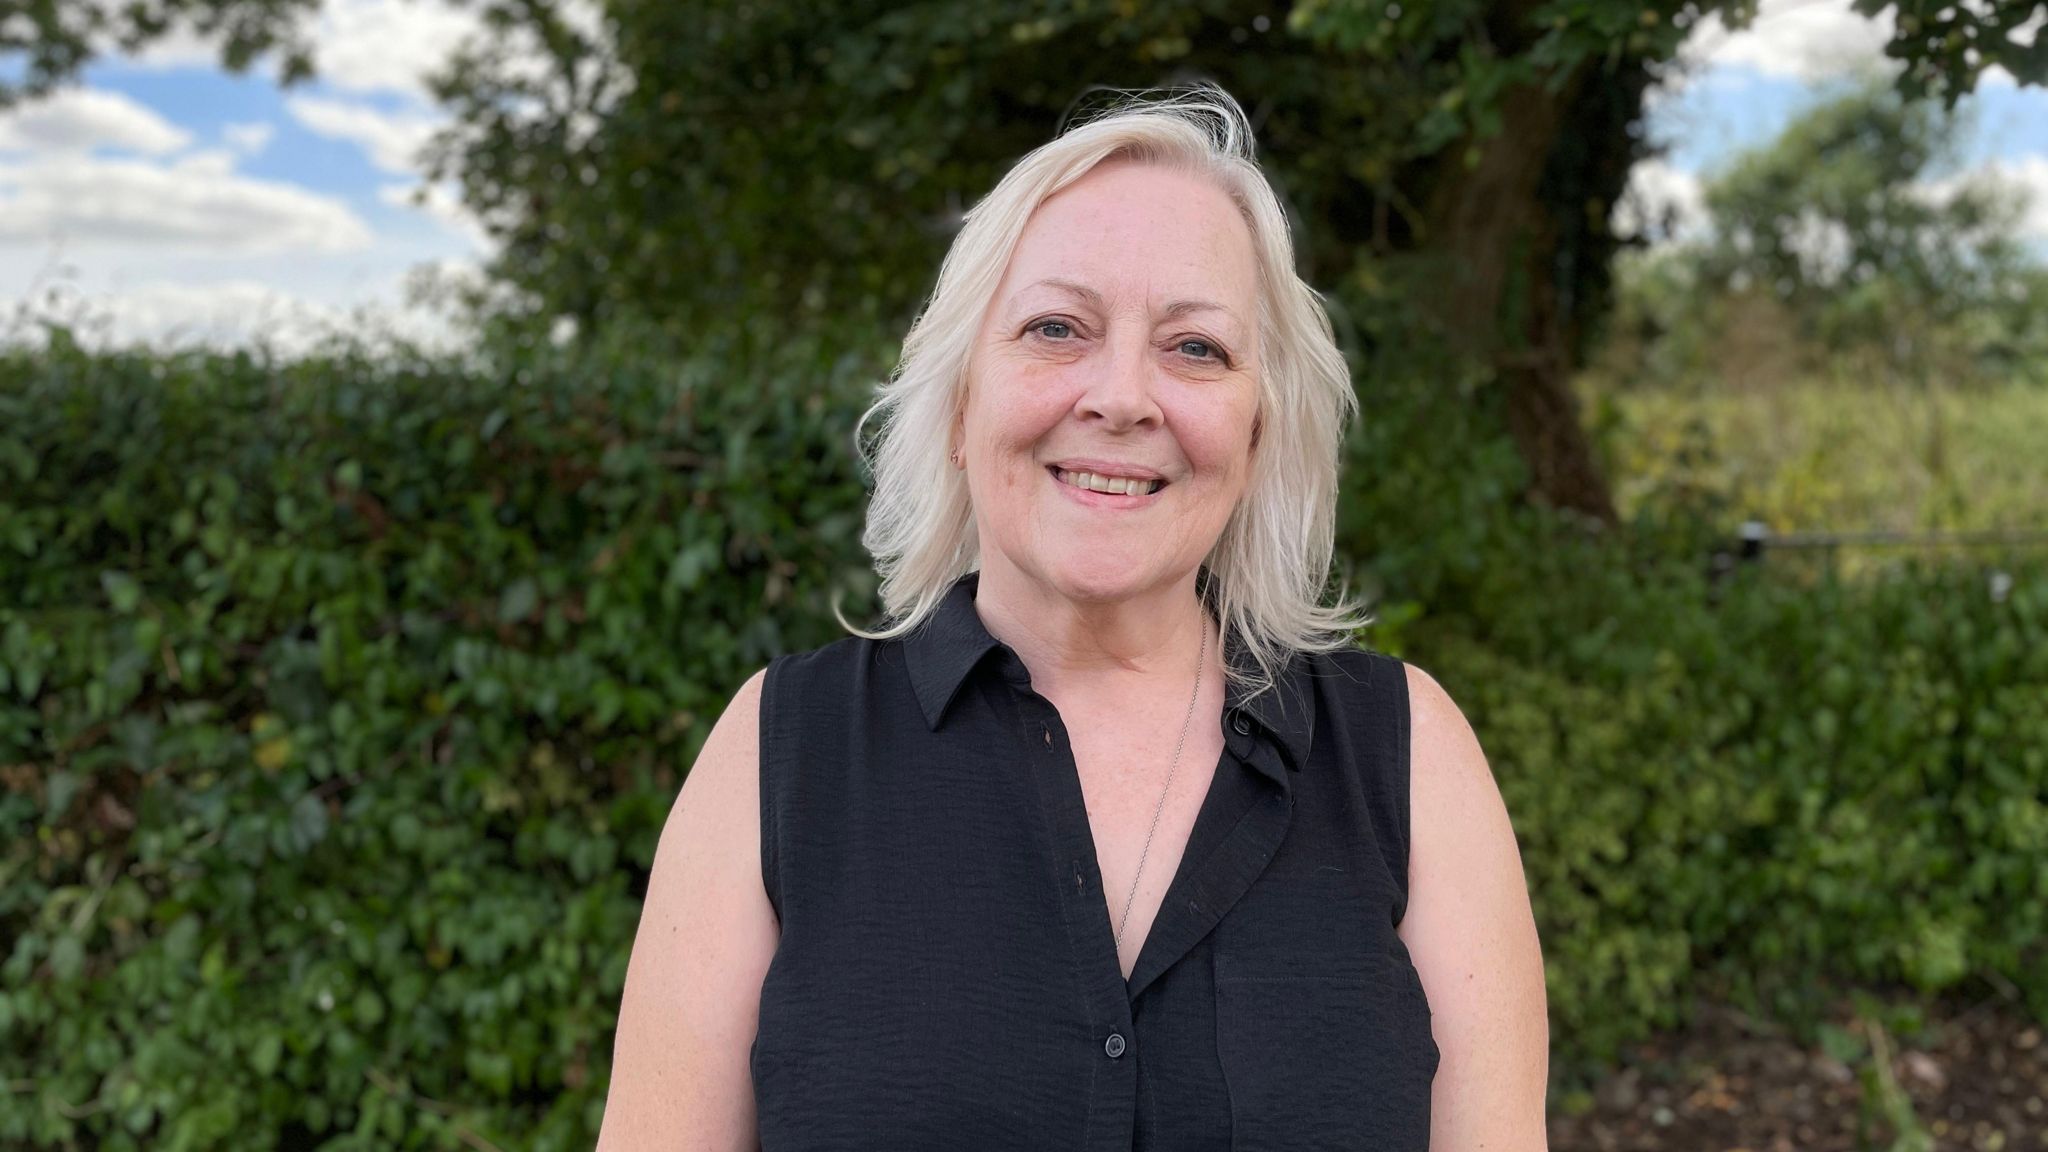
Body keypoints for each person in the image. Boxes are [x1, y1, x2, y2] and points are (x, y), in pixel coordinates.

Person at [597, 84, 1548, 1151]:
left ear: (1257, 430)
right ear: (960, 404)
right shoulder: (780, 754)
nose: (1122, 396)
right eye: (1056, 328)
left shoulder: (1407, 758)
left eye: (1195, 348)